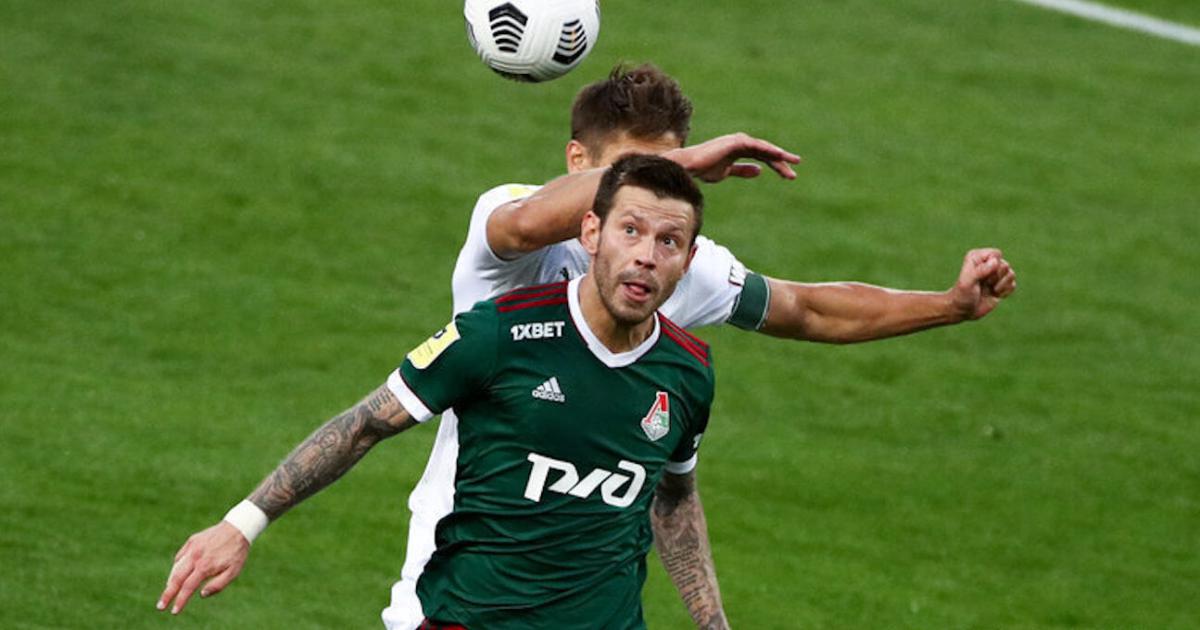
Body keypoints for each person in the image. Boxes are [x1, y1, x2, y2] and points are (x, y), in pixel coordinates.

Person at [382, 63, 1018, 629]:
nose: (656, 195)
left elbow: (808, 308)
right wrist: (678, 166)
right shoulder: (511, 226)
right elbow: (522, 225)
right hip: (458, 593)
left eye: (667, 172)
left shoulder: (677, 265)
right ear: (578, 161)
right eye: (636, 172)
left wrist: (950, 305)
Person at [158, 155, 728, 628]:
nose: (646, 256)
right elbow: (366, 424)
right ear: (591, 234)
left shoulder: (687, 372)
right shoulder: (499, 334)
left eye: (669, 241)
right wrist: (242, 524)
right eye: (630, 230)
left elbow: (674, 498)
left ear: (688, 260)